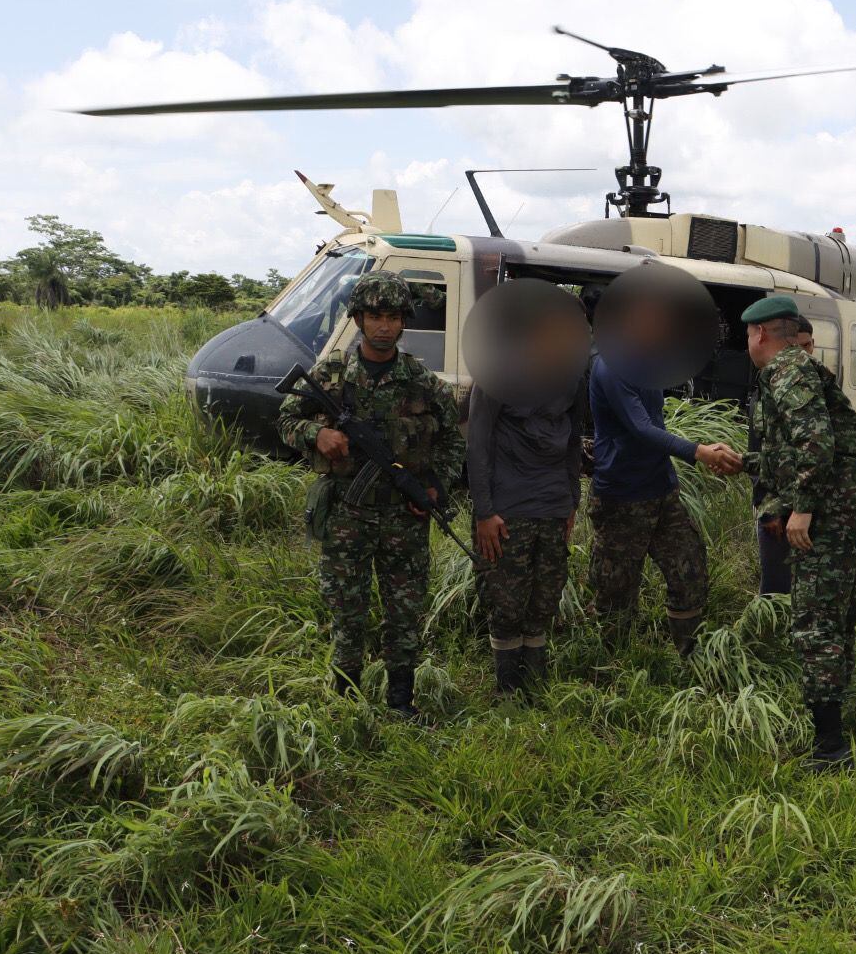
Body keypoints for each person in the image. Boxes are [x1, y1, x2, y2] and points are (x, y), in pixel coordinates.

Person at [276, 270, 465, 717]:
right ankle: (344, 702)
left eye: (393, 317)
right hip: (347, 516)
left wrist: (435, 487)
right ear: (359, 319)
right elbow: (285, 419)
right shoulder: (331, 375)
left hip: (404, 517)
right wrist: (314, 436)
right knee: (347, 613)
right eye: (375, 316)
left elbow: (454, 440)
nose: (384, 326)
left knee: (405, 614)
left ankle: (401, 701)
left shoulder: (420, 380)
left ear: (404, 322)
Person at [738, 295, 856, 771]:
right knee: (835, 614)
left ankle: (831, 748)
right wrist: (744, 462)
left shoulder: (789, 372)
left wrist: (802, 509)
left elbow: (815, 444)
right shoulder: (792, 370)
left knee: (817, 620)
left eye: (748, 334)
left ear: (760, 334)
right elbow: (794, 450)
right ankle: (838, 719)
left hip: (829, 510)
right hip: (842, 502)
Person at [587, 330, 741, 659]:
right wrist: (700, 451)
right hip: (621, 496)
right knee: (616, 587)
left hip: (661, 489)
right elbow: (641, 427)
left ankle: (688, 656)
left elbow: (657, 421)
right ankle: (613, 667)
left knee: (689, 566)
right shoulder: (611, 366)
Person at [468, 326, 585, 696]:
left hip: (552, 506)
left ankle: (534, 685)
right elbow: (477, 446)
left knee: (545, 596)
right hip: (507, 510)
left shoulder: (570, 377)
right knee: (505, 600)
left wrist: (571, 500)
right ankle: (507, 690)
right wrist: (484, 513)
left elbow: (573, 439)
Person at [747, 315, 814, 595]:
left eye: (807, 347)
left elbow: (818, 450)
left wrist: (805, 507)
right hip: (779, 509)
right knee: (776, 589)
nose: (800, 355)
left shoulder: (817, 385)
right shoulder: (767, 390)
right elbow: (760, 455)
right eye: (795, 347)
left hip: (812, 510)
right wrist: (767, 510)